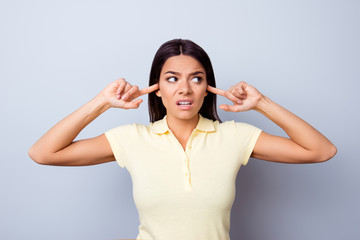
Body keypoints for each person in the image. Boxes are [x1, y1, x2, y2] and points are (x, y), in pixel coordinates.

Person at [28, 39, 337, 240]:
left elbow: (322, 150)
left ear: (208, 88)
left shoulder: (235, 137)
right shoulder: (132, 139)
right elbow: (43, 153)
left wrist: (262, 103)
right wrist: (102, 101)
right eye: (172, 78)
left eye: (197, 78)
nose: (185, 89)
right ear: (157, 89)